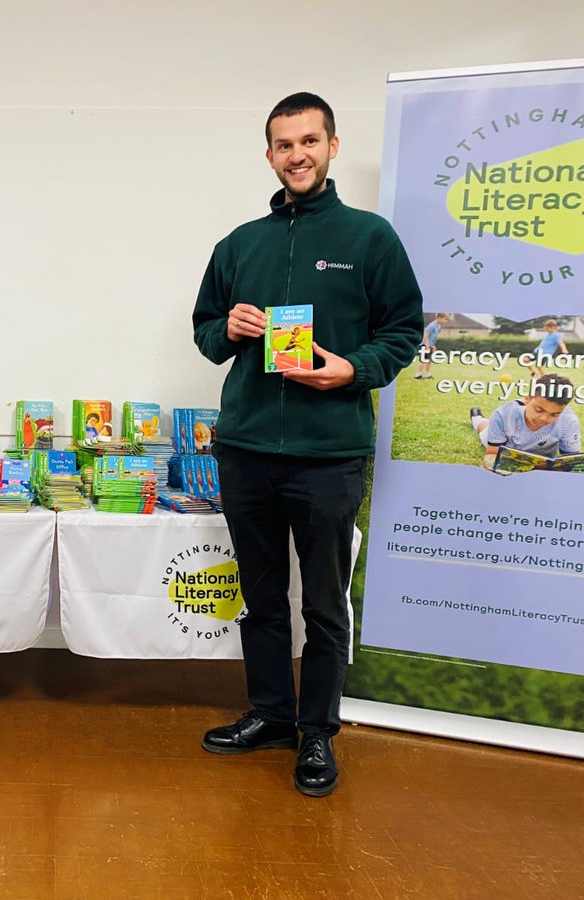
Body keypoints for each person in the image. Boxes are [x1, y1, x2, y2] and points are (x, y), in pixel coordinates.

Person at [191, 93, 423, 797]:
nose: (297, 154)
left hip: (329, 456)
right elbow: (204, 336)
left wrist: (352, 369)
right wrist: (228, 328)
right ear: (270, 155)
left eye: (309, 141)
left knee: (323, 603)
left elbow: (404, 332)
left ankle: (318, 731)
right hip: (248, 450)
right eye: (284, 144)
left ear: (331, 146)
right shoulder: (239, 243)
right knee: (262, 599)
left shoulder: (370, 238)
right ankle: (270, 713)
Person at [470, 374, 581, 469]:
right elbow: (492, 454)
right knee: (484, 429)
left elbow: (570, 460)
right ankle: (477, 417)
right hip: (505, 447)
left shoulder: (568, 421)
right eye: (539, 410)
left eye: (555, 414)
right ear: (527, 399)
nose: (544, 418)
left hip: (540, 457)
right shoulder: (503, 415)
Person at [413, 311, 449, 378]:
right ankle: (417, 375)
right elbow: (425, 335)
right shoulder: (432, 325)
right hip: (425, 345)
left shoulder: (438, 326)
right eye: (445, 319)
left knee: (430, 360)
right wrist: (427, 346)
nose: (446, 321)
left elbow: (433, 337)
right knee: (425, 360)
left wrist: (433, 346)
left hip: (430, 345)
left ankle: (428, 374)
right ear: (439, 318)